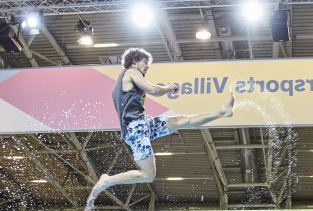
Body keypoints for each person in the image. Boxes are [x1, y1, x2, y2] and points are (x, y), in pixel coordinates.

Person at [90, 47, 235, 199]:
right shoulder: (131, 72)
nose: (147, 66)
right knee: (148, 175)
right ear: (134, 62)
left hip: (143, 124)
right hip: (135, 130)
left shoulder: (123, 82)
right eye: (145, 62)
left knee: (182, 121)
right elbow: (153, 89)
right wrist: (168, 88)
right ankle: (108, 180)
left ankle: (222, 112)